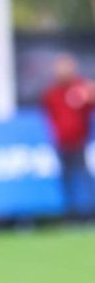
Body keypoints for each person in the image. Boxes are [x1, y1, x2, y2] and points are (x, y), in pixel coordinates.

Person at [41, 54, 95, 218]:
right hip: (61, 142)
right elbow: (50, 114)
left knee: (84, 177)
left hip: (79, 142)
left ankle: (89, 212)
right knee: (65, 178)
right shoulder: (52, 92)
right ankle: (70, 214)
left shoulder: (81, 88)